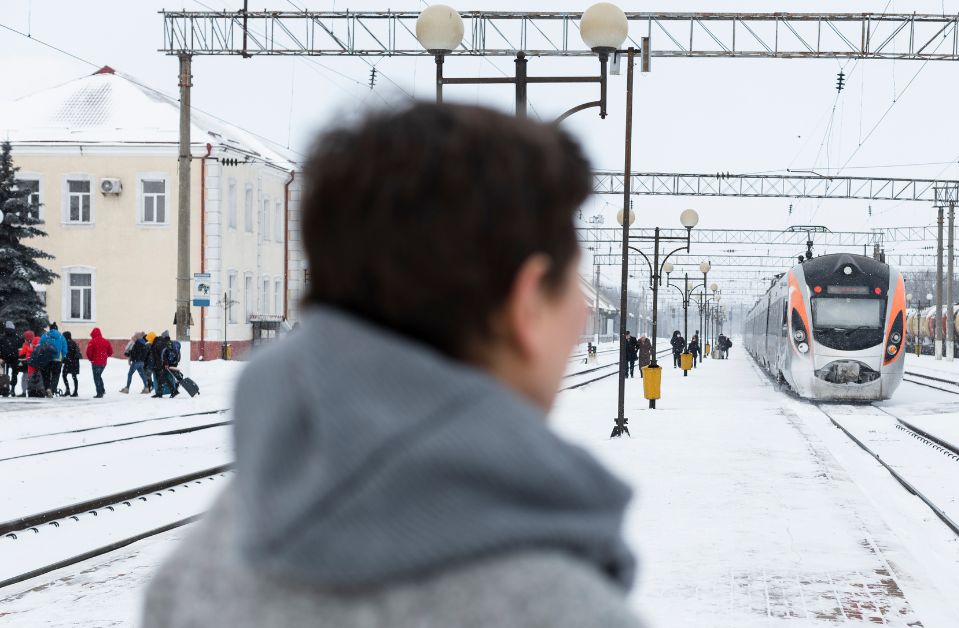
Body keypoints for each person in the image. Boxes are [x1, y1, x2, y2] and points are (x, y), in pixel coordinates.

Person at [142, 103, 641, 628]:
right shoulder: (562, 609)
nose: (583, 313)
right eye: (571, 284)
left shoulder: (193, 574)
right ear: (528, 302)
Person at [39, 323, 68, 396]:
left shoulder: (45, 336)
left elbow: (39, 346)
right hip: (57, 360)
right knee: (55, 375)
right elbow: (64, 350)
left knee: (46, 375)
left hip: (46, 359)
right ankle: (52, 389)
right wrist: (62, 358)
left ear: (50, 329)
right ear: (57, 329)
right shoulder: (61, 337)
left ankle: (47, 388)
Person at [85, 327, 113, 398]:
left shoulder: (92, 341)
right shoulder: (106, 341)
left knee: (96, 377)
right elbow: (110, 352)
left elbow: (88, 352)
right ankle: (102, 390)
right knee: (98, 376)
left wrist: (91, 359)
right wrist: (105, 357)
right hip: (103, 363)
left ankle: (99, 393)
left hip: (96, 362)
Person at [150, 330, 178, 398]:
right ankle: (159, 393)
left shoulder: (158, 343)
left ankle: (174, 391)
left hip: (161, 364)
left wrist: (165, 363)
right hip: (158, 364)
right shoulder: (156, 342)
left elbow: (163, 354)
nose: (149, 341)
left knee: (163, 378)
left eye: (149, 339)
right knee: (160, 379)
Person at [0, 322, 22, 396]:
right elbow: (20, 348)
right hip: (15, 358)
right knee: (14, 374)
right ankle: (13, 389)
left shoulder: (2, 338)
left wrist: (0, 357)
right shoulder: (17, 337)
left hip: (4, 358)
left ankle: (5, 388)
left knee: (4, 374)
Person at [61, 331, 81, 397]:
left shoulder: (66, 343)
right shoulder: (73, 342)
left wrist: (63, 360)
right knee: (74, 377)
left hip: (69, 362)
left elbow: (66, 354)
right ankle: (75, 391)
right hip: (74, 362)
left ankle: (68, 390)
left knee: (64, 375)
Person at [18, 332, 37, 397]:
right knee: (33, 379)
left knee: (24, 379)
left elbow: (21, 354)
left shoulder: (25, 345)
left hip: (27, 365)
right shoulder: (35, 345)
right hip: (34, 365)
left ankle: (24, 392)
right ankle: (33, 391)